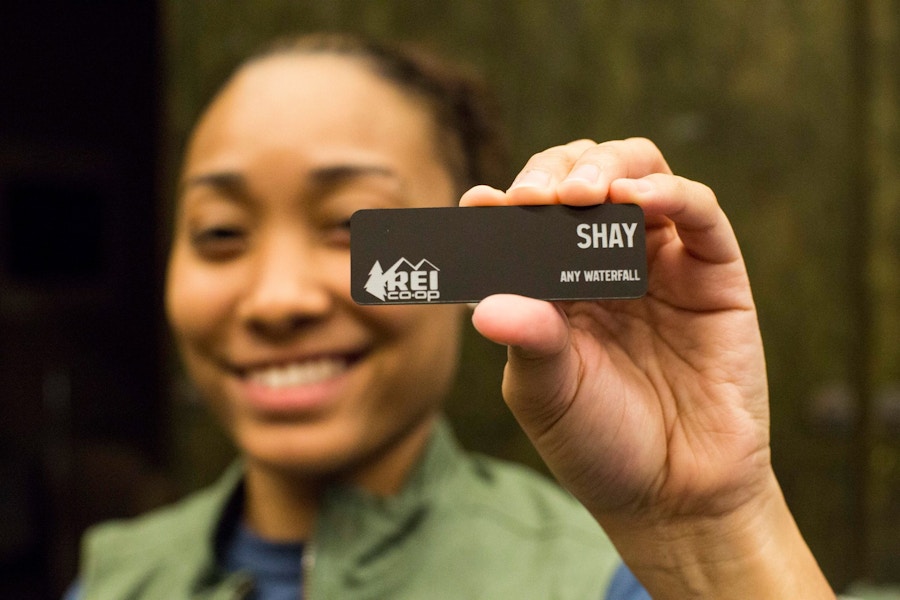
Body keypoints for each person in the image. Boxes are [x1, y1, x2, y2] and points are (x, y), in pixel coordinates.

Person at [67, 32, 836, 599]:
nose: (276, 300)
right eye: (220, 235)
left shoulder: (609, 576)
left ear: (482, 249)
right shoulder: (114, 575)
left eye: (349, 227)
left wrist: (710, 522)